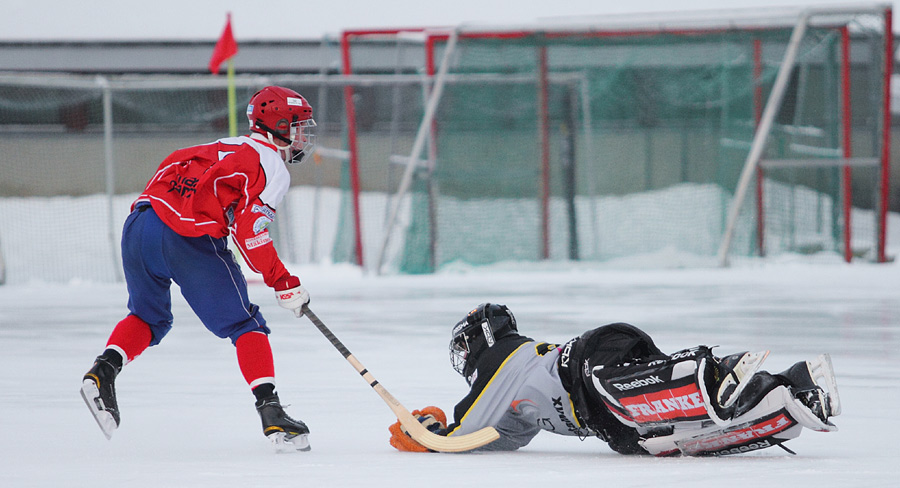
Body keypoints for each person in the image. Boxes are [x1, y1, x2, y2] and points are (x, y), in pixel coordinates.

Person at [80, 86, 316, 451]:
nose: (303, 136)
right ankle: (272, 414)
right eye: (298, 127)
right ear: (278, 126)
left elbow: (170, 174)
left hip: (140, 224)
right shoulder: (270, 164)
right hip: (187, 238)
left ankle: (103, 370)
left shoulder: (223, 145)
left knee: (148, 317)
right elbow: (250, 233)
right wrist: (284, 282)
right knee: (244, 324)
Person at [389, 303, 841, 456]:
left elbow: (463, 430)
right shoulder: (508, 397)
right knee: (638, 440)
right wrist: (438, 430)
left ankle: (713, 375)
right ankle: (786, 391)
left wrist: (428, 433)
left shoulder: (501, 362)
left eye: (465, 348)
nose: (465, 360)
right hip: (599, 414)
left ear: (482, 339)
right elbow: (489, 439)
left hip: (593, 360)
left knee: (617, 387)